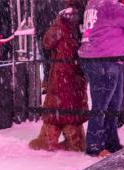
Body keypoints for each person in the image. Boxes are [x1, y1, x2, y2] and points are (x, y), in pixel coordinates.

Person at [30, 0, 89, 152]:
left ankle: (48, 140)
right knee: (73, 109)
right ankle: (76, 141)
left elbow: (48, 41)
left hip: (62, 69)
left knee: (55, 109)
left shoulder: (64, 17)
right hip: (79, 68)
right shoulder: (86, 15)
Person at [78, 0, 124, 156]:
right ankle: (95, 146)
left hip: (104, 57)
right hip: (104, 58)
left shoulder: (94, 3)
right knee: (103, 104)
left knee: (113, 103)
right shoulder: (111, 6)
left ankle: (111, 142)